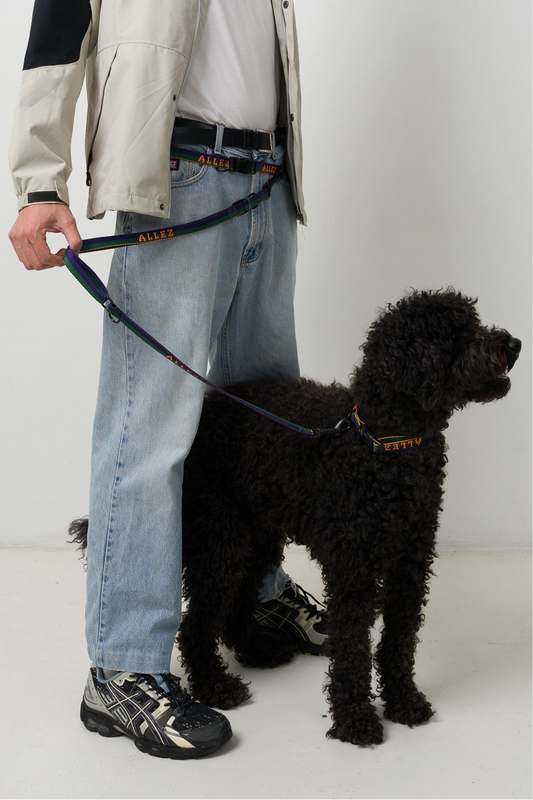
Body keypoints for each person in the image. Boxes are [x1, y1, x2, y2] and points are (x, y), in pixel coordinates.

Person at [8, 0, 327, 759]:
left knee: (261, 419)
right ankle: (122, 666)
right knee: (146, 433)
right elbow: (56, 33)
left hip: (266, 182)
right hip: (177, 180)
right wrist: (37, 182)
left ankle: (256, 591)